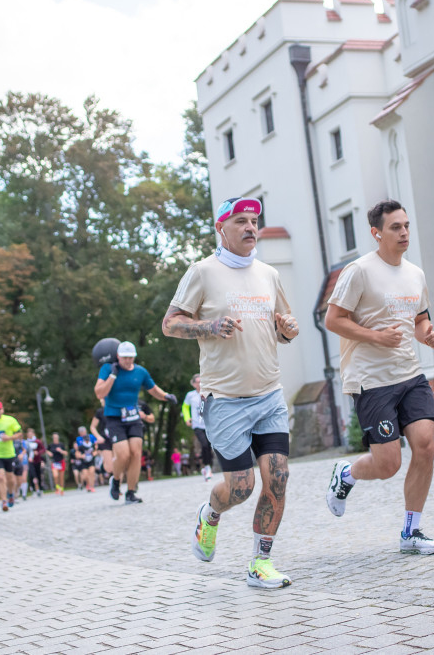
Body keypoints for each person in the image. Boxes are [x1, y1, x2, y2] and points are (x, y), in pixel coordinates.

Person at [163, 196, 298, 589]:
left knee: (278, 478)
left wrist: (287, 330)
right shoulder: (202, 272)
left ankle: (261, 562)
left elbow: (281, 328)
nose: (250, 227)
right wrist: (209, 326)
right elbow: (171, 324)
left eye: (254, 220)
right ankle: (210, 514)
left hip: (269, 394)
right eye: (241, 220)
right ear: (221, 229)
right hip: (224, 400)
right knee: (241, 486)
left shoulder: (269, 274)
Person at [324, 199, 434, 556]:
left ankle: (412, 531)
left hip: (409, 373)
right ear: (377, 233)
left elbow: (419, 319)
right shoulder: (359, 271)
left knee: (426, 445)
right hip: (371, 379)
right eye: (396, 227)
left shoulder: (415, 274)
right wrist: (377, 336)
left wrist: (428, 334)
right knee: (388, 464)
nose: (404, 232)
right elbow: (333, 320)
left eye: (406, 225)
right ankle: (346, 475)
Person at [94, 341, 176, 504]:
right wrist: (112, 376)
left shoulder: (140, 372)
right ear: (118, 357)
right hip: (114, 417)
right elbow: (99, 393)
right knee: (123, 454)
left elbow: (153, 389)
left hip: (132, 417)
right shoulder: (108, 369)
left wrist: (166, 395)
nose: (128, 361)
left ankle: (131, 492)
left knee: (136, 453)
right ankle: (116, 481)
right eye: (124, 358)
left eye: (131, 358)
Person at [183, 374, 213, 481]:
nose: (200, 384)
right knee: (204, 444)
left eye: (201, 381)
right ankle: (207, 467)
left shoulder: (209, 393)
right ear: (194, 384)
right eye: (197, 382)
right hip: (197, 425)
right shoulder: (190, 395)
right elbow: (185, 407)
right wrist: (187, 418)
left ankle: (208, 466)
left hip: (208, 424)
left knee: (209, 446)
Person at [89, 404, 113, 485]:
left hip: (117, 437)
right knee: (109, 467)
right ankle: (113, 477)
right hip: (105, 440)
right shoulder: (100, 411)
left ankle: (117, 482)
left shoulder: (118, 408)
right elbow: (92, 427)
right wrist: (98, 437)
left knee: (120, 460)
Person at [24, 428, 44, 497]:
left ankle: (40, 489)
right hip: (30, 461)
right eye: (28, 434)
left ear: (33, 434)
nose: (29, 435)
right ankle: (34, 490)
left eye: (31, 434)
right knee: (32, 475)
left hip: (37, 460)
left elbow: (43, 449)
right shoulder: (26, 442)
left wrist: (38, 453)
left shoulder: (37, 441)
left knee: (38, 475)